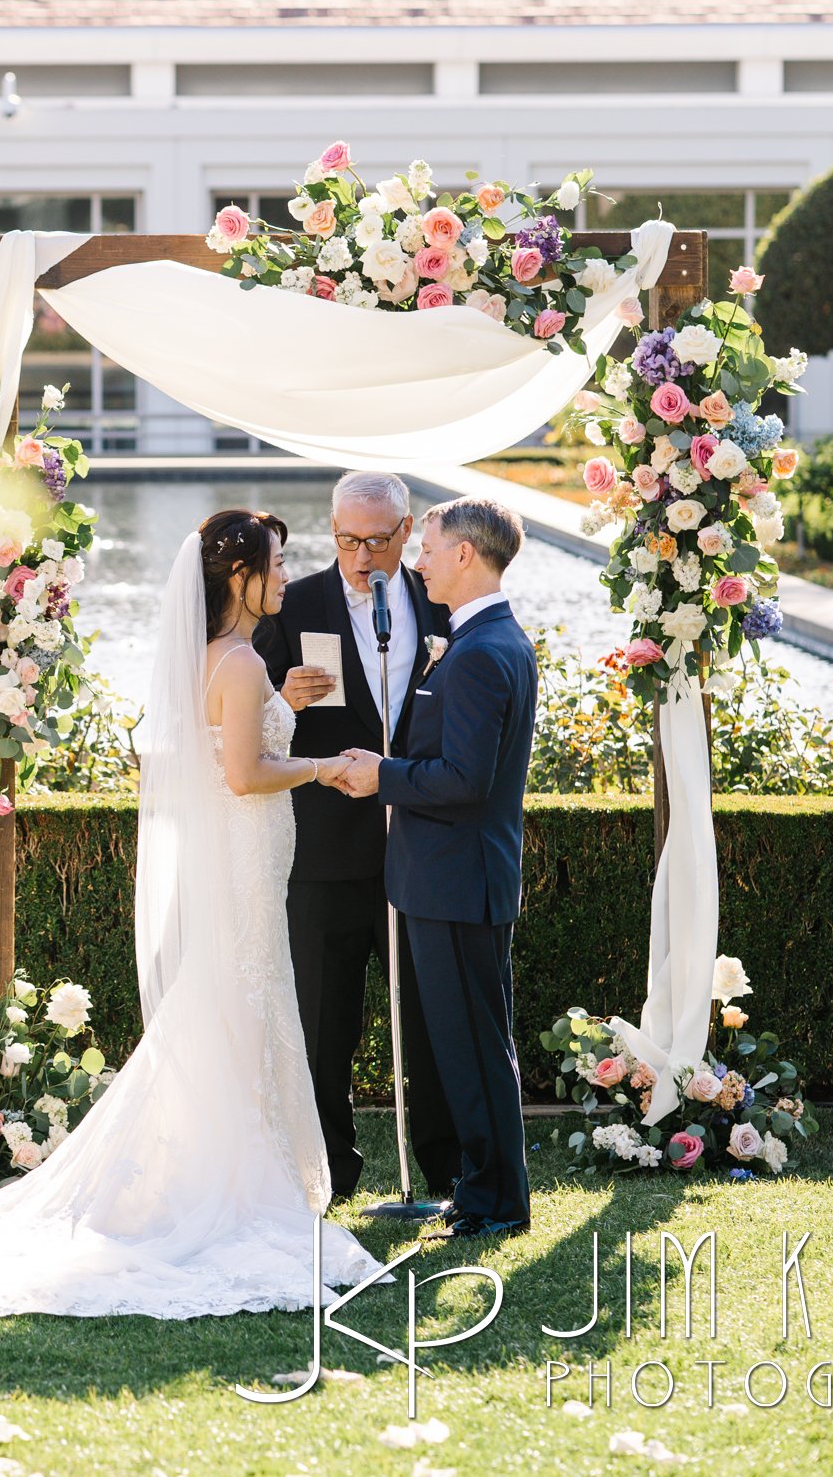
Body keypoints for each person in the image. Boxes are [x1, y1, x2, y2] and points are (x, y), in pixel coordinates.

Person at [0, 511, 378, 1319]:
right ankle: (238, 1180)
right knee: (245, 1001)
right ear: (239, 577)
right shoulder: (243, 661)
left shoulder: (217, 659)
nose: (289, 576)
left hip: (236, 859)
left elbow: (226, 740)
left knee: (227, 1003)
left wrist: (280, 702)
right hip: (248, 856)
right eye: (278, 564)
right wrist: (326, 764)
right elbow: (247, 775)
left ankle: (213, 1161)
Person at [253, 473, 459, 1206]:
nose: (362, 554)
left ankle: (444, 1170)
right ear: (331, 529)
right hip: (322, 850)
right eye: (348, 538)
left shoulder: (443, 599)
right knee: (322, 1025)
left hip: (421, 845)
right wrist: (284, 696)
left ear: (407, 533)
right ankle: (328, 1174)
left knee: (430, 1021)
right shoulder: (294, 602)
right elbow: (245, 718)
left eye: (377, 539)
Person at [343, 499, 538, 1243]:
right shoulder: (483, 640)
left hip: (458, 881)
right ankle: (483, 1189)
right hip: (451, 879)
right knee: (468, 1044)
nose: (416, 561)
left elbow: (465, 779)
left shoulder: (484, 651)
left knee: (476, 1046)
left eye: (427, 548)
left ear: (464, 556)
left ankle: (496, 1200)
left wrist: (381, 774)